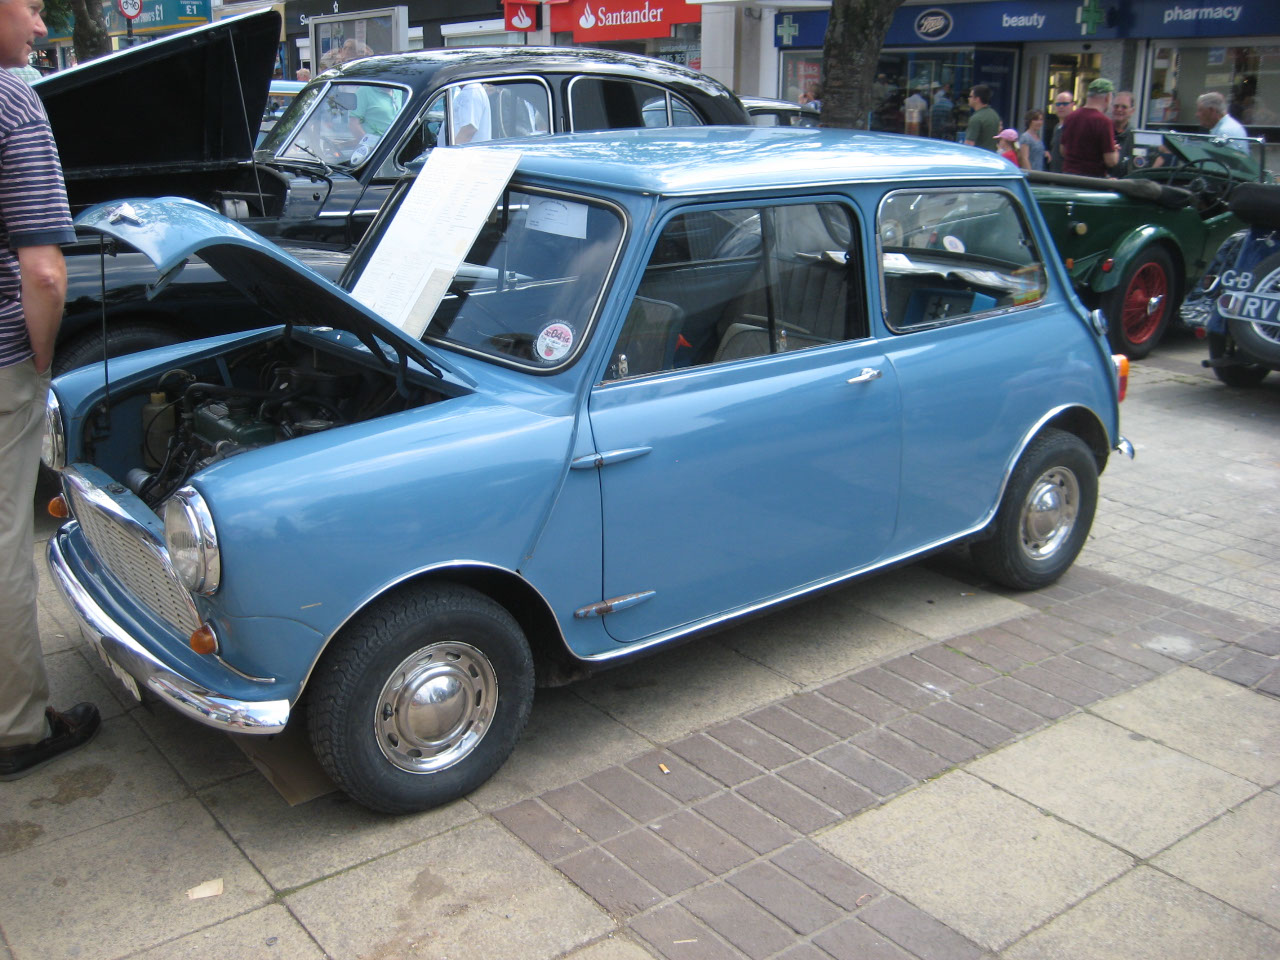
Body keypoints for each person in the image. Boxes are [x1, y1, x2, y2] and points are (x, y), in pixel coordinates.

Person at [0, 0, 99, 781]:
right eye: (27, 3)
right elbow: (43, 270)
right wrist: (39, 362)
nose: (38, 25)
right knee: (4, 546)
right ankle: (18, 727)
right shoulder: (11, 98)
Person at [1060, 77, 1118, 177]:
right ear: (1108, 97)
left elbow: (1063, 150)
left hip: (1068, 178)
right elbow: (1111, 161)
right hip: (1090, 182)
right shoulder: (1104, 122)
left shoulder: (1070, 118)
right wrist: (1115, 150)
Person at [964, 84, 1000, 151]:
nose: (968, 98)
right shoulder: (994, 115)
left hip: (978, 158)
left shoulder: (976, 118)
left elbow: (968, 145)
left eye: (970, 96)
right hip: (992, 156)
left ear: (977, 99)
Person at [1047, 88, 1074, 172]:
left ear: (1072, 105)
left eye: (1065, 104)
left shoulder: (1074, 126)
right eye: (1058, 104)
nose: (1061, 107)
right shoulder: (1057, 127)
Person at [1110, 90, 1135, 173]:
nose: (1119, 109)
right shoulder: (1102, 132)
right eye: (1116, 106)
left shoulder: (1135, 137)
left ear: (1132, 111)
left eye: (1124, 107)